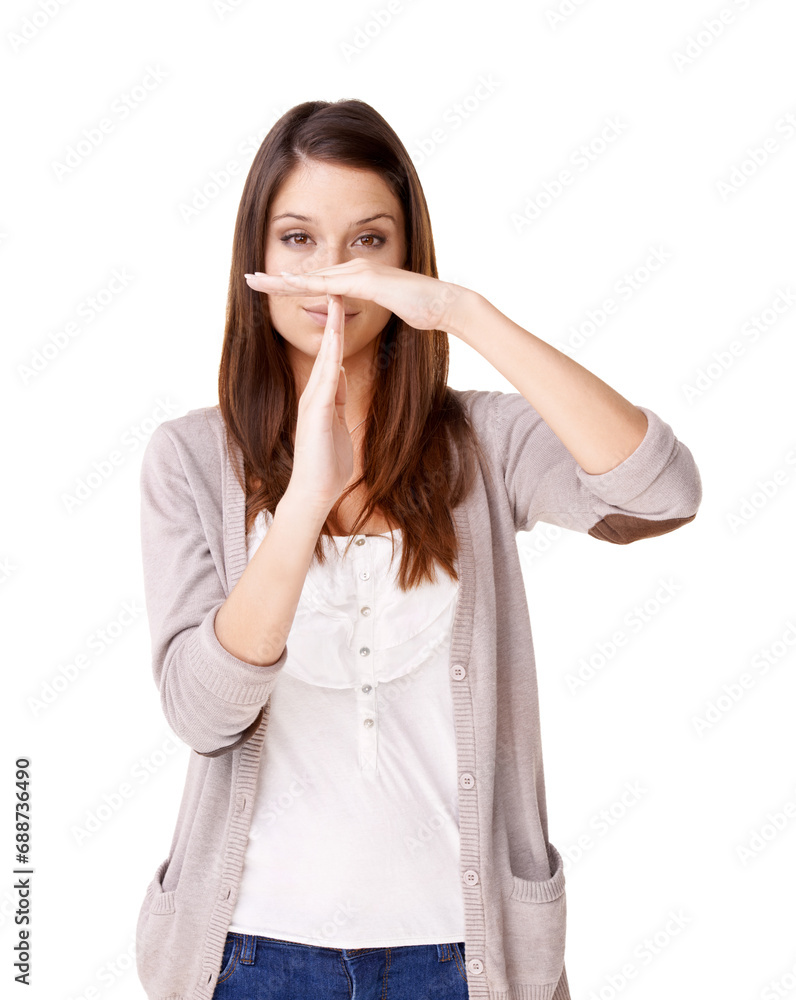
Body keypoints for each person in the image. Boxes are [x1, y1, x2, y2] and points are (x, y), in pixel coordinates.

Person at [134, 98, 702, 1000]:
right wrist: (306, 501)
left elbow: (663, 492)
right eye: (298, 239)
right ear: (257, 258)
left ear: (406, 257)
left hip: (464, 961)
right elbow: (202, 714)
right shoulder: (191, 459)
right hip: (247, 957)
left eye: (367, 241)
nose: (332, 275)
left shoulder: (480, 442)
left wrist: (463, 313)